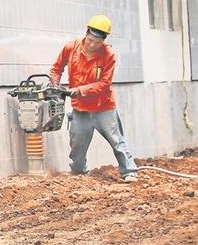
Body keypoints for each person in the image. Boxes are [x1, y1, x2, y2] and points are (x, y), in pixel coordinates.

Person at [49, 15, 138, 182]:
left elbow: (104, 84)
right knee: (77, 144)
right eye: (90, 40)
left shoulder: (108, 55)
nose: (92, 45)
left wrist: (80, 90)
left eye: (97, 42)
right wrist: (55, 86)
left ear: (103, 40)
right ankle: (79, 173)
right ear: (86, 34)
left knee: (116, 140)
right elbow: (56, 68)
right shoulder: (71, 48)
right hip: (80, 108)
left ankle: (129, 171)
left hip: (103, 107)